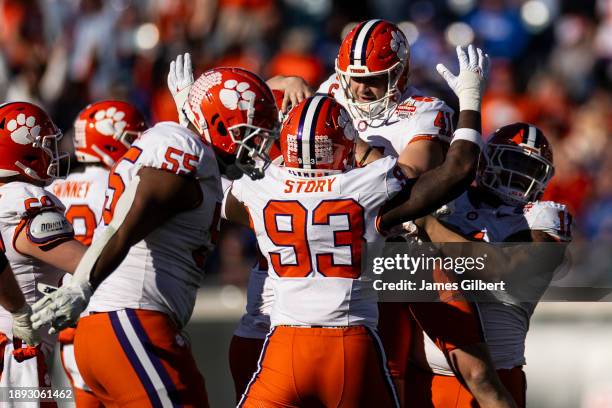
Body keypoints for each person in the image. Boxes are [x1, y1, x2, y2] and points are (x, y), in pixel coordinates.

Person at [225, 45, 505, 407]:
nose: (360, 90)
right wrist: (470, 100)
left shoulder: (263, 189)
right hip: (353, 334)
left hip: (286, 342)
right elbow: (452, 173)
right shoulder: (369, 187)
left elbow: (219, 173)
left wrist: (194, 117)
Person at [31, 67, 280, 407]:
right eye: (248, 133)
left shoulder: (191, 152)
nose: (255, 146)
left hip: (116, 325)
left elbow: (236, 202)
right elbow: (135, 212)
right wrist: (83, 283)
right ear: (220, 124)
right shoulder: (182, 146)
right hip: (130, 319)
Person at [412, 123, 571, 408]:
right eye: (512, 161)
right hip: (424, 376)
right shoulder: (451, 197)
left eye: (530, 168)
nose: (519, 175)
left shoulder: (542, 218)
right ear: (485, 161)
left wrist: (431, 228)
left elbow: (500, 266)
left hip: (497, 378)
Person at [48, 100, 146, 406]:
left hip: (66, 326)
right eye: (132, 138)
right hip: (112, 316)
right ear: (110, 139)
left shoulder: (54, 188)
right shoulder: (121, 183)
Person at [0, 101, 86, 405]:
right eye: (47, 144)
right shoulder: (25, 201)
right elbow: (86, 265)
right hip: (14, 351)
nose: (54, 152)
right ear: (23, 151)